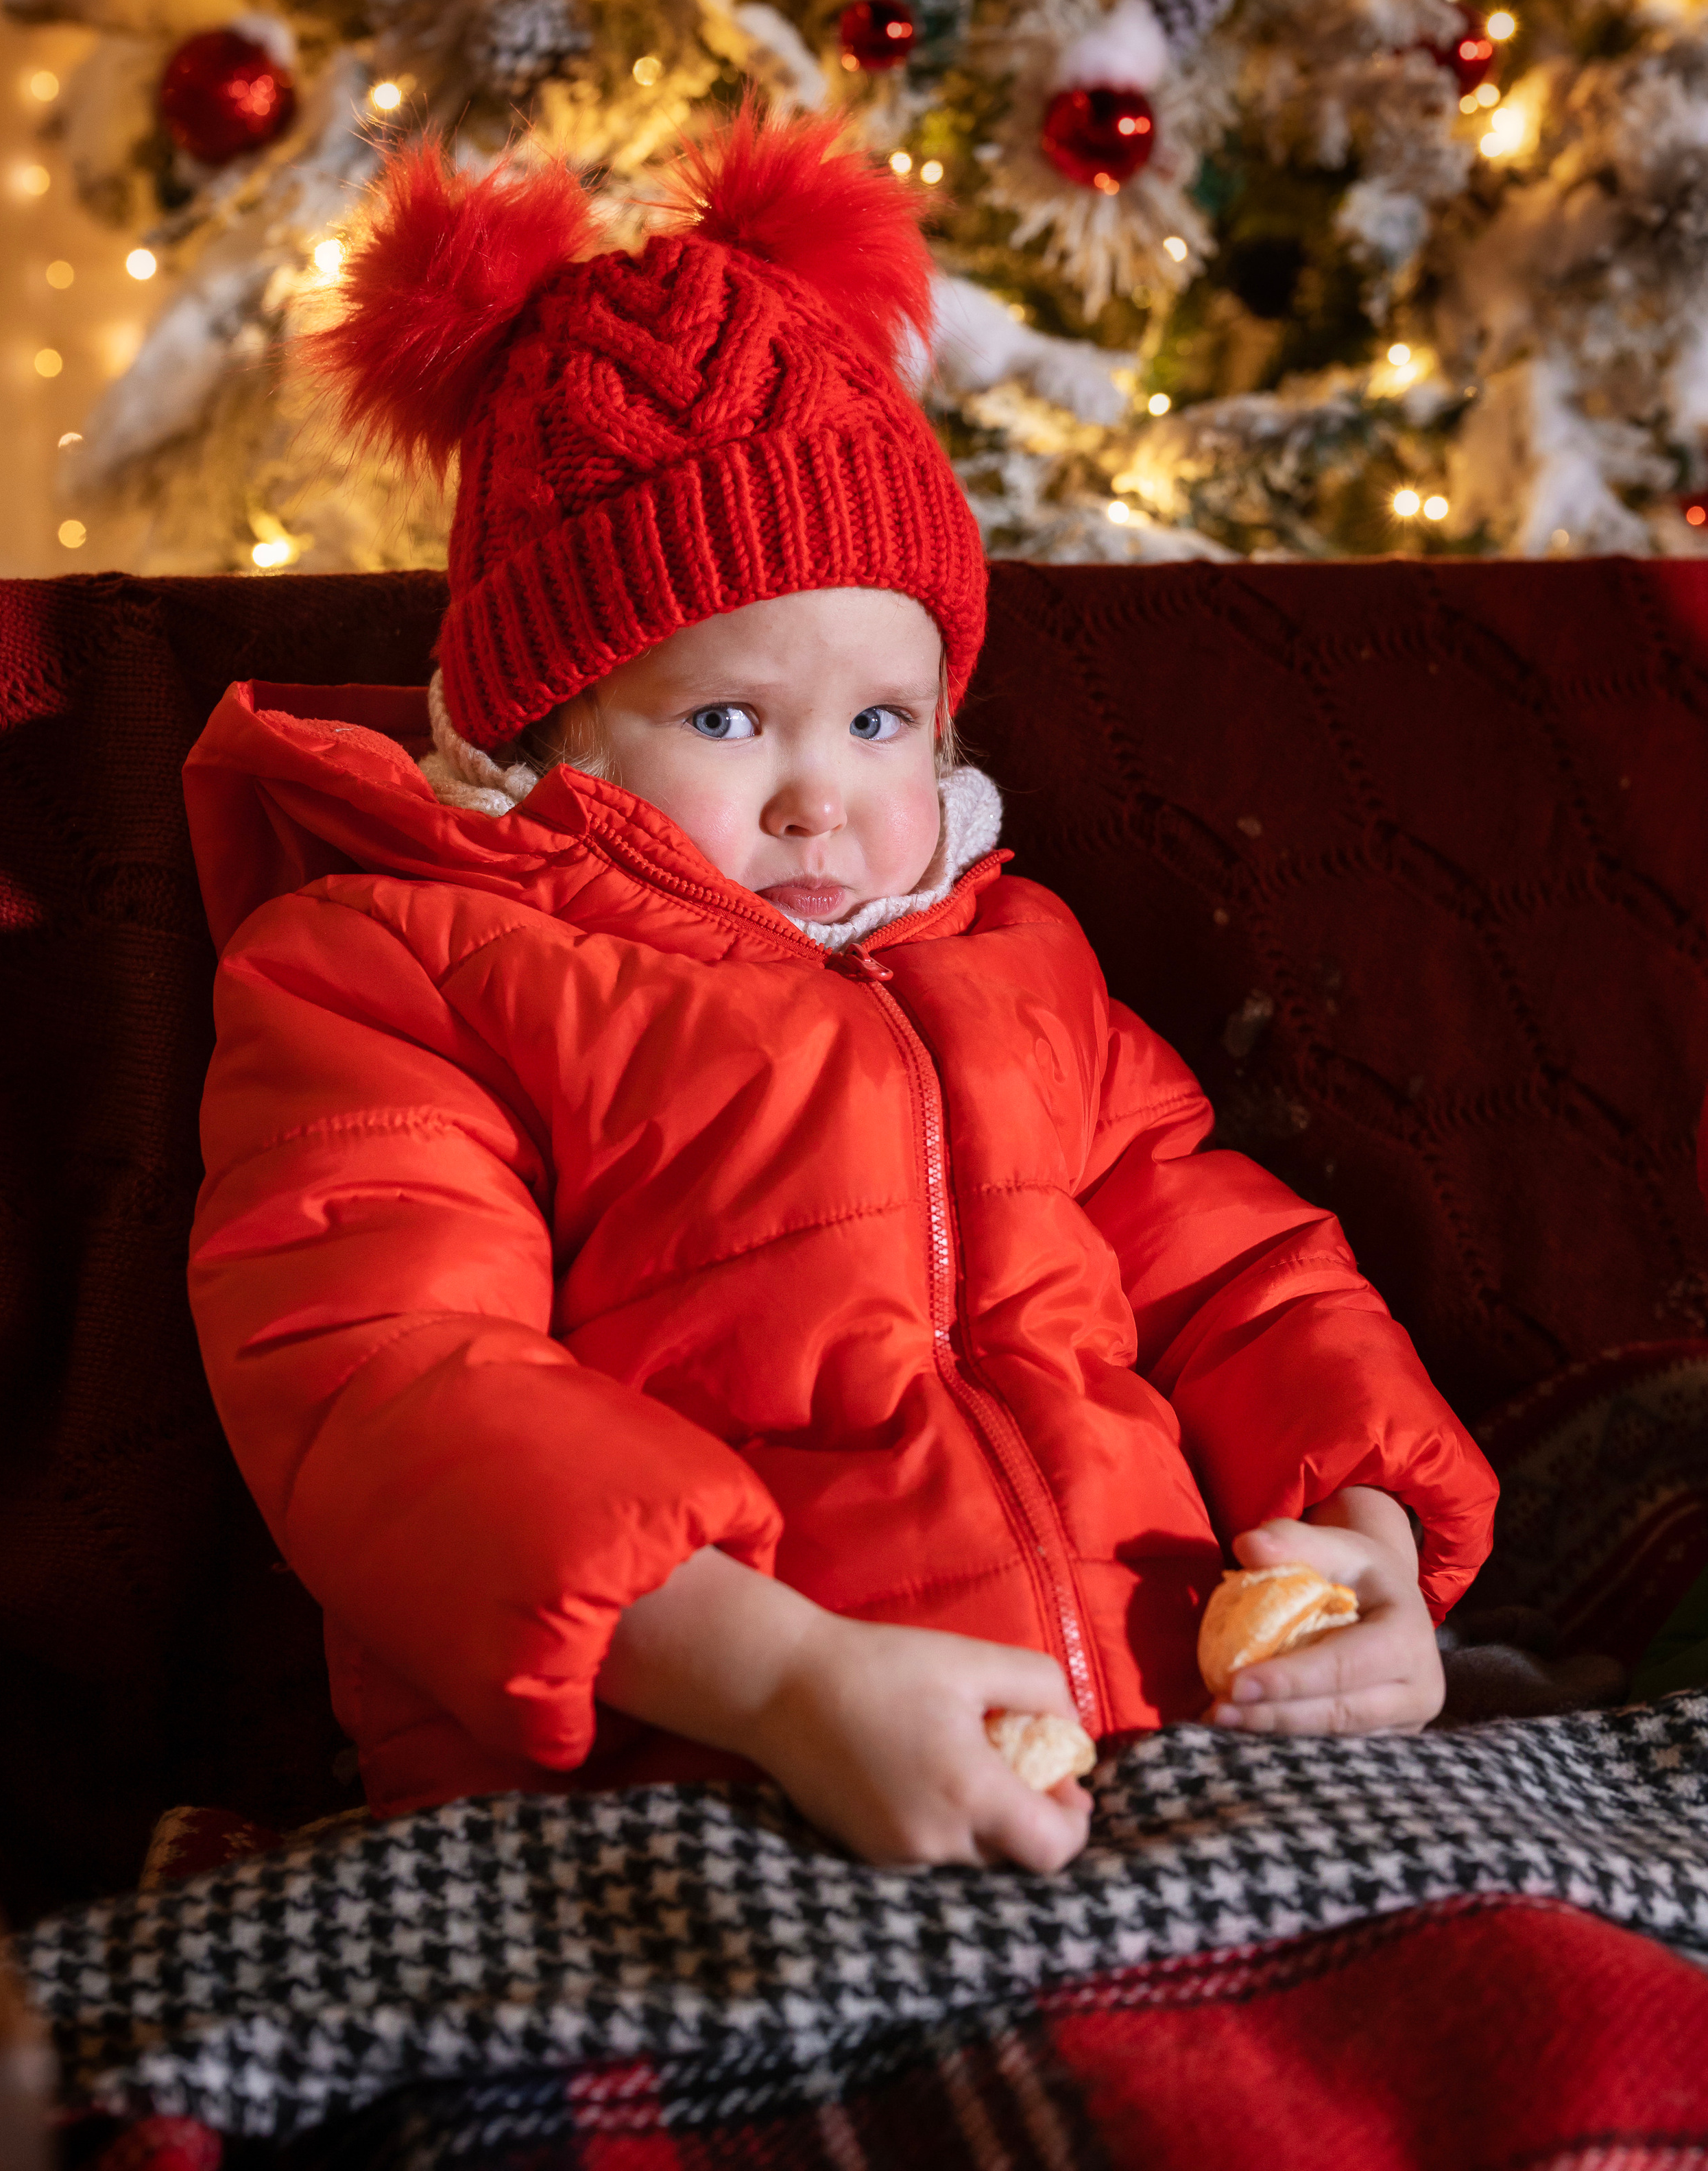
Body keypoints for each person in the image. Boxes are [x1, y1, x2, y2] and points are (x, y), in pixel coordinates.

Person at [184, 106, 1497, 1875]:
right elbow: (388, 1383)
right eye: (728, 717)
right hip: (704, 1771)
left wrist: (1371, 1546)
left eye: (880, 721)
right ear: (544, 730)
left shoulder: (1015, 961)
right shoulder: (397, 971)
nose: (821, 795)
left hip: (1155, 1747)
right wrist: (784, 1679)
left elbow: (1238, 1275)